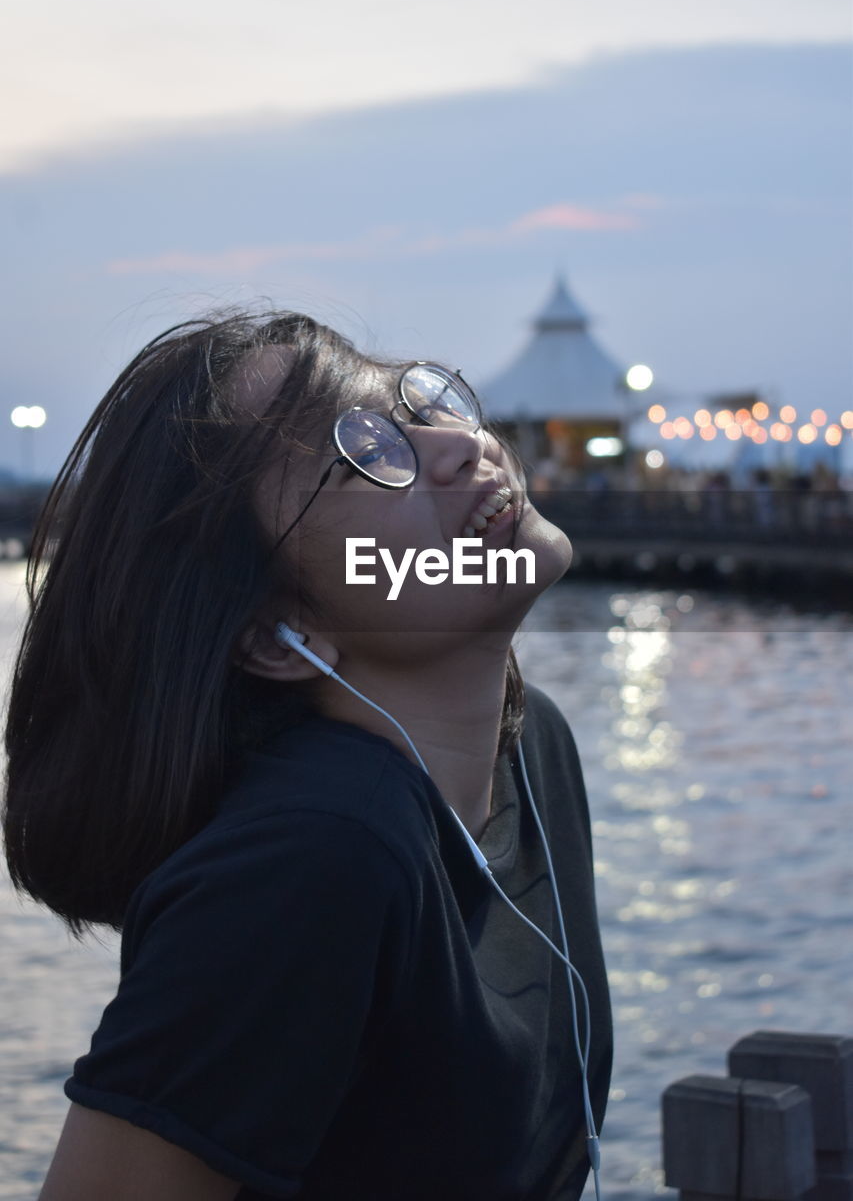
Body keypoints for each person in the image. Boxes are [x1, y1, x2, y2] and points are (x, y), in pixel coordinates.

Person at [3, 310, 612, 1200]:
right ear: (281, 637)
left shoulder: (533, 748)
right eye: (369, 454)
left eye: (418, 405)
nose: (456, 447)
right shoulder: (315, 854)